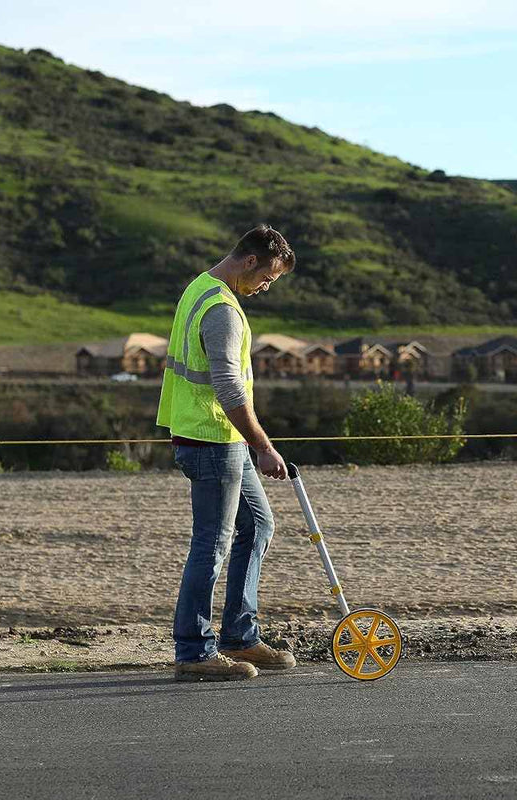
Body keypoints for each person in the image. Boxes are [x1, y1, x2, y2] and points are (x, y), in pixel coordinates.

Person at [157, 224, 297, 681]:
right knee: (212, 545)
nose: (265, 288)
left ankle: (241, 635)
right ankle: (195, 652)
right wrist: (266, 446)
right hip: (211, 438)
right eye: (267, 278)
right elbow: (227, 385)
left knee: (257, 523)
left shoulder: (200, 287)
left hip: (221, 438)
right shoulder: (221, 309)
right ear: (251, 260)